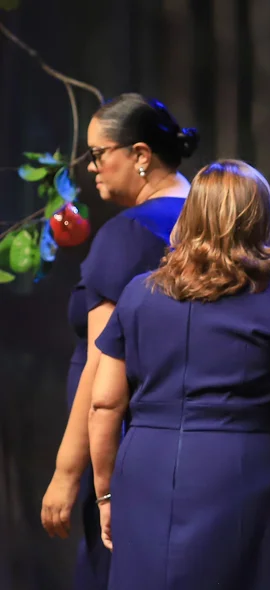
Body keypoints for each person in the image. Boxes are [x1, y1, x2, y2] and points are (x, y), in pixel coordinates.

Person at [86, 159, 270, 590]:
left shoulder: (136, 294)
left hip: (145, 471)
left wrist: (106, 493)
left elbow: (104, 403)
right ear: (259, 219)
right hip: (244, 475)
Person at [40, 93, 199, 590]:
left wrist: (68, 471)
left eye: (96, 154)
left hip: (122, 452)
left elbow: (98, 363)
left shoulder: (128, 234)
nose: (91, 168)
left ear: (140, 155)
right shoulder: (214, 225)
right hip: (191, 452)